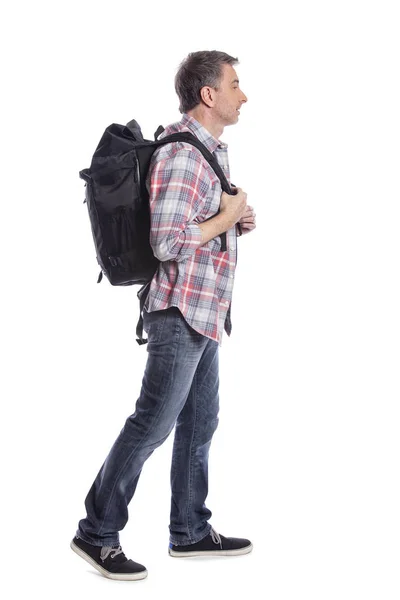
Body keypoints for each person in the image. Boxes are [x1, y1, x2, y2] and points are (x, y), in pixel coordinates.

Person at [70, 50, 256, 582]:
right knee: (152, 423)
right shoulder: (183, 155)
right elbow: (167, 240)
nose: (244, 95)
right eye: (236, 85)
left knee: (200, 422)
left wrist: (233, 221)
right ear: (209, 94)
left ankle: (190, 529)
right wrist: (225, 214)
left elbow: (194, 222)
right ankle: (96, 533)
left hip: (203, 311)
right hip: (178, 311)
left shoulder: (208, 153)